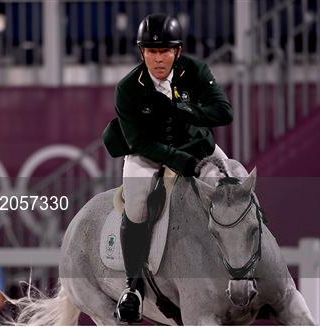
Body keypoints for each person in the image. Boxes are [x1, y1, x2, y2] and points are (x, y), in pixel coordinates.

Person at [102, 13, 233, 322]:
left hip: (196, 146)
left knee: (235, 182)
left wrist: (181, 108)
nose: (158, 59)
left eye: (164, 51)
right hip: (146, 153)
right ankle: (132, 288)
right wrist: (178, 161)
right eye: (151, 51)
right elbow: (138, 141)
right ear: (142, 52)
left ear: (177, 51)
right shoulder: (128, 89)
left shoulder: (196, 71)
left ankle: (256, 260)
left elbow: (223, 112)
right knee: (135, 205)